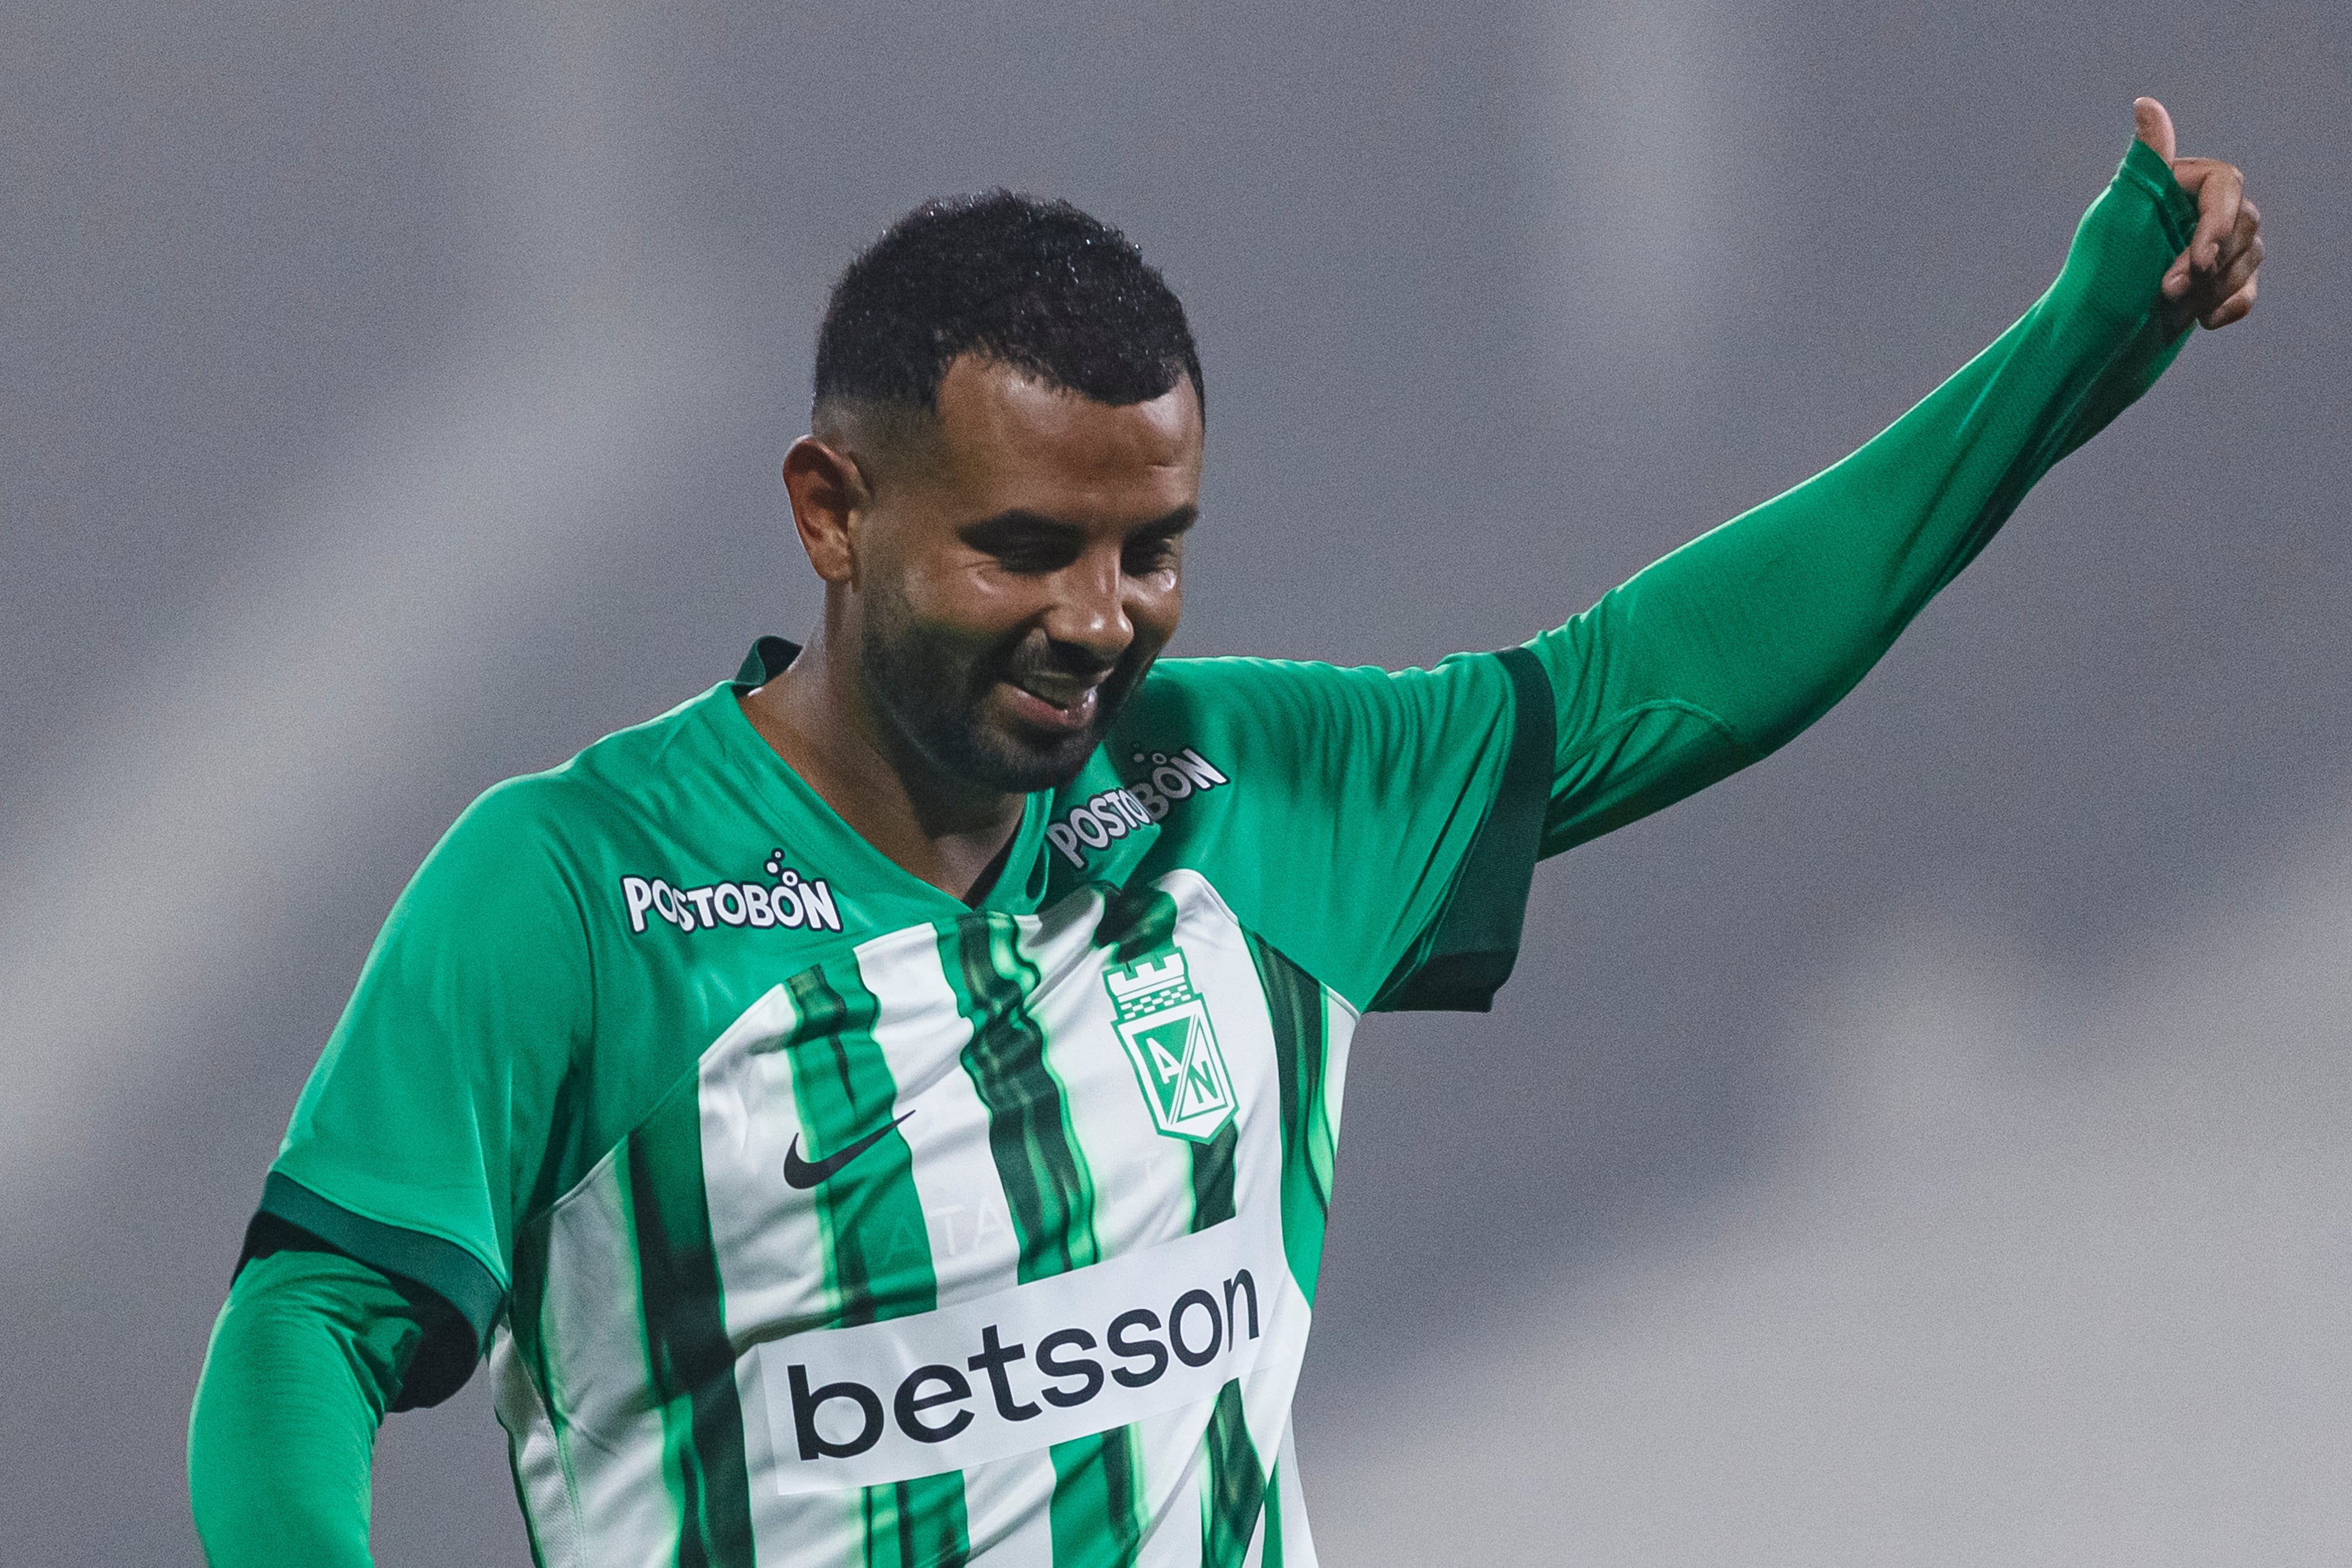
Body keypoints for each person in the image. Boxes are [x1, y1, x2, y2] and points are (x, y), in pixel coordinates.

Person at [188, 98, 2261, 1566]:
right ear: (832, 510)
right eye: (1025, 547)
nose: (1099, 619)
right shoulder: (577, 886)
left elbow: (1661, 675)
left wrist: (2074, 353)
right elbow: (309, 1328)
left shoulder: (1238, 795)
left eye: (1152, 549)